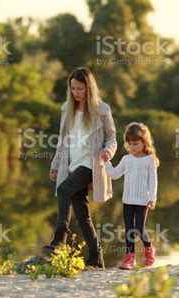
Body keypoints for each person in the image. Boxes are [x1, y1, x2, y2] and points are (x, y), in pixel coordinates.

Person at [44, 67, 117, 269]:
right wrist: (55, 164)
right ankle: (96, 257)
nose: (76, 93)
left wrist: (109, 150)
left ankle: (60, 237)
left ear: (89, 88)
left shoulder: (102, 110)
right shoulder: (67, 109)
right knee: (82, 214)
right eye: (73, 88)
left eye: (80, 89)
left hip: (90, 162)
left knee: (63, 190)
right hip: (71, 163)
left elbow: (111, 135)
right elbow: (62, 140)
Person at [102, 122, 159, 269]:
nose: (132, 147)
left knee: (139, 229)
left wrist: (152, 199)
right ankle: (130, 258)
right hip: (127, 201)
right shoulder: (127, 159)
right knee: (129, 230)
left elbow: (153, 181)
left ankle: (149, 248)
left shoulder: (149, 160)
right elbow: (114, 175)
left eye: (135, 144)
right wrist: (106, 162)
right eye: (130, 144)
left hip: (142, 201)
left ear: (144, 142)